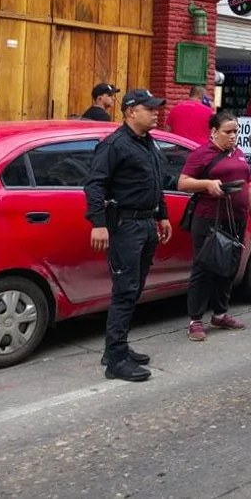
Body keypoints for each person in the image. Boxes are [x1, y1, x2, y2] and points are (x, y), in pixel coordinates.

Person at [84, 89, 174, 382]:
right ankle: (116, 360)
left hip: (146, 224)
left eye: (156, 108)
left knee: (134, 289)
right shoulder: (115, 145)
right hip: (125, 226)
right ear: (131, 111)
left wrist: (162, 215)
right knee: (125, 290)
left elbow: (156, 182)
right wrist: (98, 223)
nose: (156, 113)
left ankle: (116, 348)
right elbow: (95, 185)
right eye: (150, 108)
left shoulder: (148, 143)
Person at [178, 111, 251, 342]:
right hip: (208, 220)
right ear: (213, 132)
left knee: (229, 267)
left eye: (235, 131)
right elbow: (183, 182)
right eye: (227, 132)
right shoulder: (201, 154)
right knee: (204, 269)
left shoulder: (240, 154)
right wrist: (207, 184)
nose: (233, 136)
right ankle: (195, 320)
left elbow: (249, 185)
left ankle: (220, 313)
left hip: (236, 219)